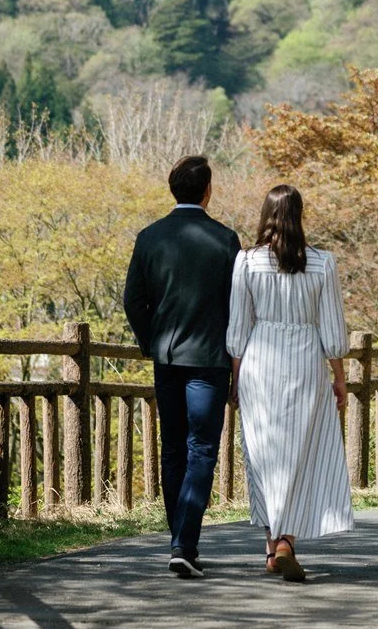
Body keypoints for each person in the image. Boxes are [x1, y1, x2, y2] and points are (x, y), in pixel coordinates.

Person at [227, 183, 354, 582]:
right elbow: (332, 329)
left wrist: (235, 380)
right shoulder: (322, 263)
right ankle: (285, 542)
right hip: (305, 362)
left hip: (259, 361)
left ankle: (272, 543)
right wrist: (339, 377)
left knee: (264, 454)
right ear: (299, 215)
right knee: (300, 453)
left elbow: (237, 328)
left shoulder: (246, 261)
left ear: (266, 215)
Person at [122, 154, 241, 579]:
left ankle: (180, 540)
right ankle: (184, 543)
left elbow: (133, 301)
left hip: (167, 356)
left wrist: (151, 340)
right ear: (208, 190)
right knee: (202, 449)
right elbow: (238, 306)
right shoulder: (226, 240)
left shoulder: (150, 237)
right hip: (210, 360)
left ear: (173, 188)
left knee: (172, 447)